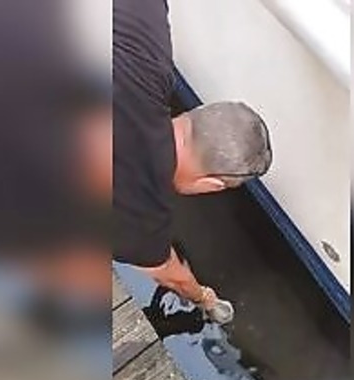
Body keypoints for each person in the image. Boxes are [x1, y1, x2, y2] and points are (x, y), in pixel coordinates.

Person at [114, 0, 272, 323]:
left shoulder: (149, 51)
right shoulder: (141, 209)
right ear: (212, 184)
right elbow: (169, 273)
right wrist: (204, 298)